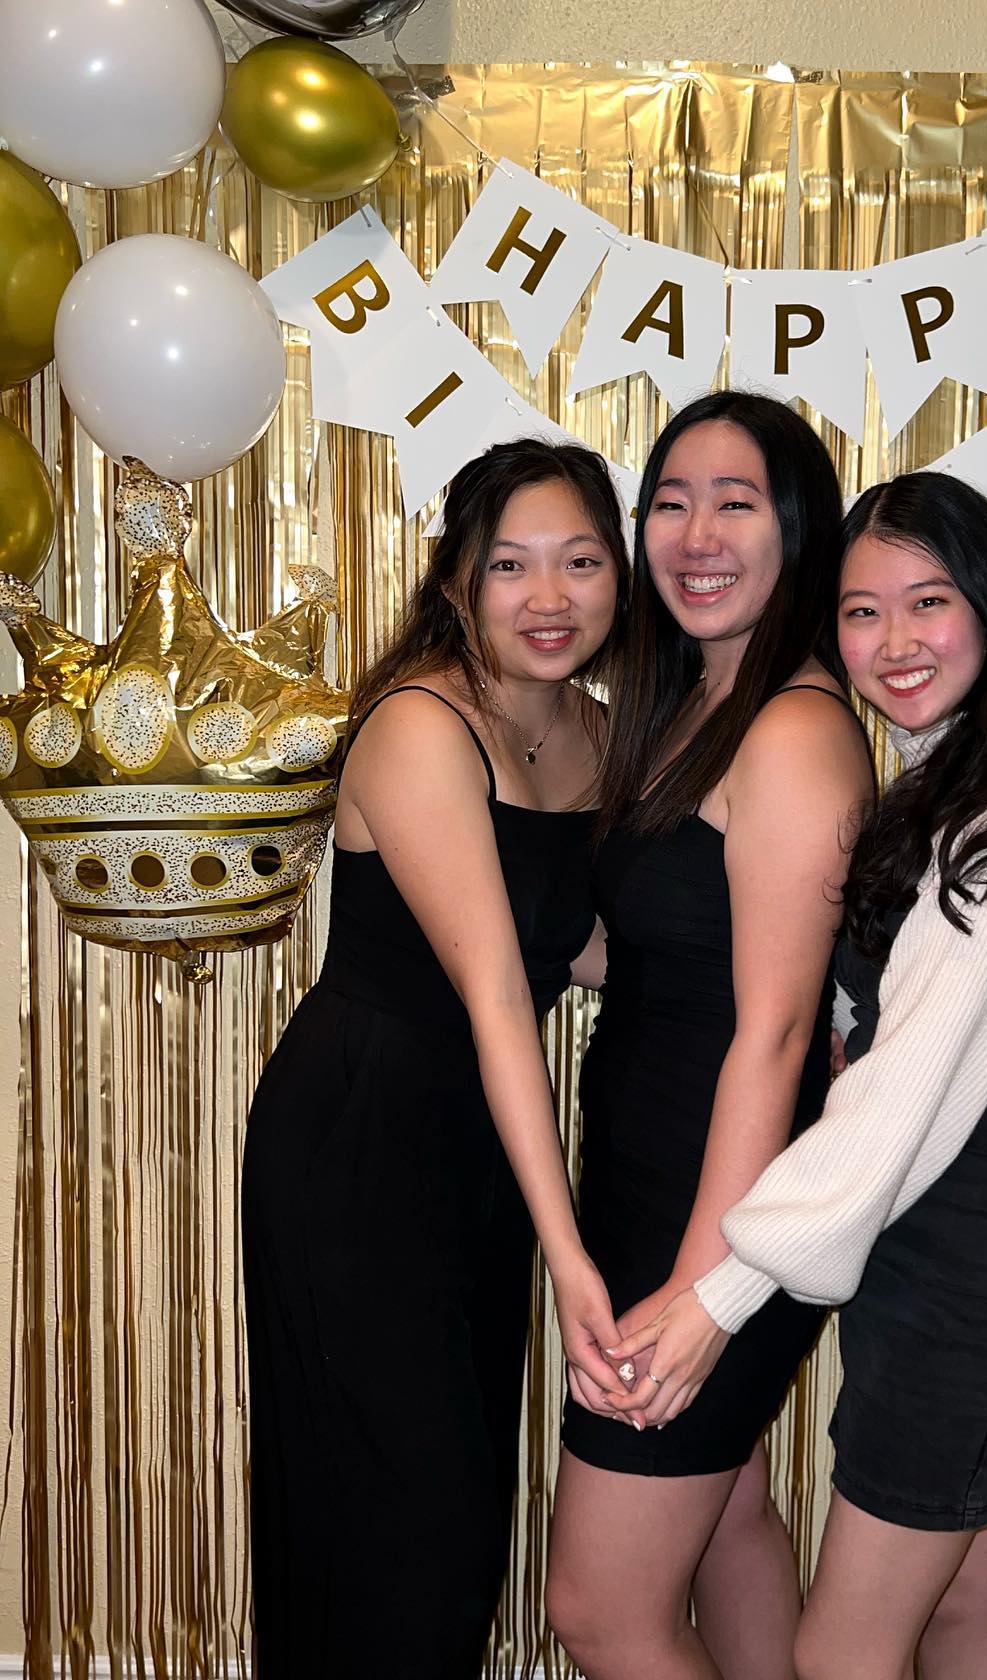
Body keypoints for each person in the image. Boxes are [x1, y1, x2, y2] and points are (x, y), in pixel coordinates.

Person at [611, 470, 987, 1680]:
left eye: (928, 603)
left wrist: (716, 1298)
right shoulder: (941, 781)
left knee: (841, 1655)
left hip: (968, 1272)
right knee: (963, 1602)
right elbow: (875, 1001)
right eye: (862, 613)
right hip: (921, 1260)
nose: (894, 642)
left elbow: (902, 1095)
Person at [241, 439, 632, 1677]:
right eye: (511, 565)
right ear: (457, 579)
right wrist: (572, 1258)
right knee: (391, 1516)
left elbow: (588, 947)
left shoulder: (601, 731)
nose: (549, 596)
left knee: (458, 1516)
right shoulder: (419, 724)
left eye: (580, 561)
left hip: (480, 1143)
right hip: (361, 1135)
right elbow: (500, 994)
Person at [543, 392, 875, 1680]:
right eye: (670, 503)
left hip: (717, 1211)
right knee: (728, 1516)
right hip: (652, 1180)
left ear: (799, 531)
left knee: (602, 1612)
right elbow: (656, 959)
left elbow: (774, 1033)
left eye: (735, 503)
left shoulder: (792, 729)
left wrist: (702, 1294)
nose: (695, 535)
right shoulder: (692, 706)